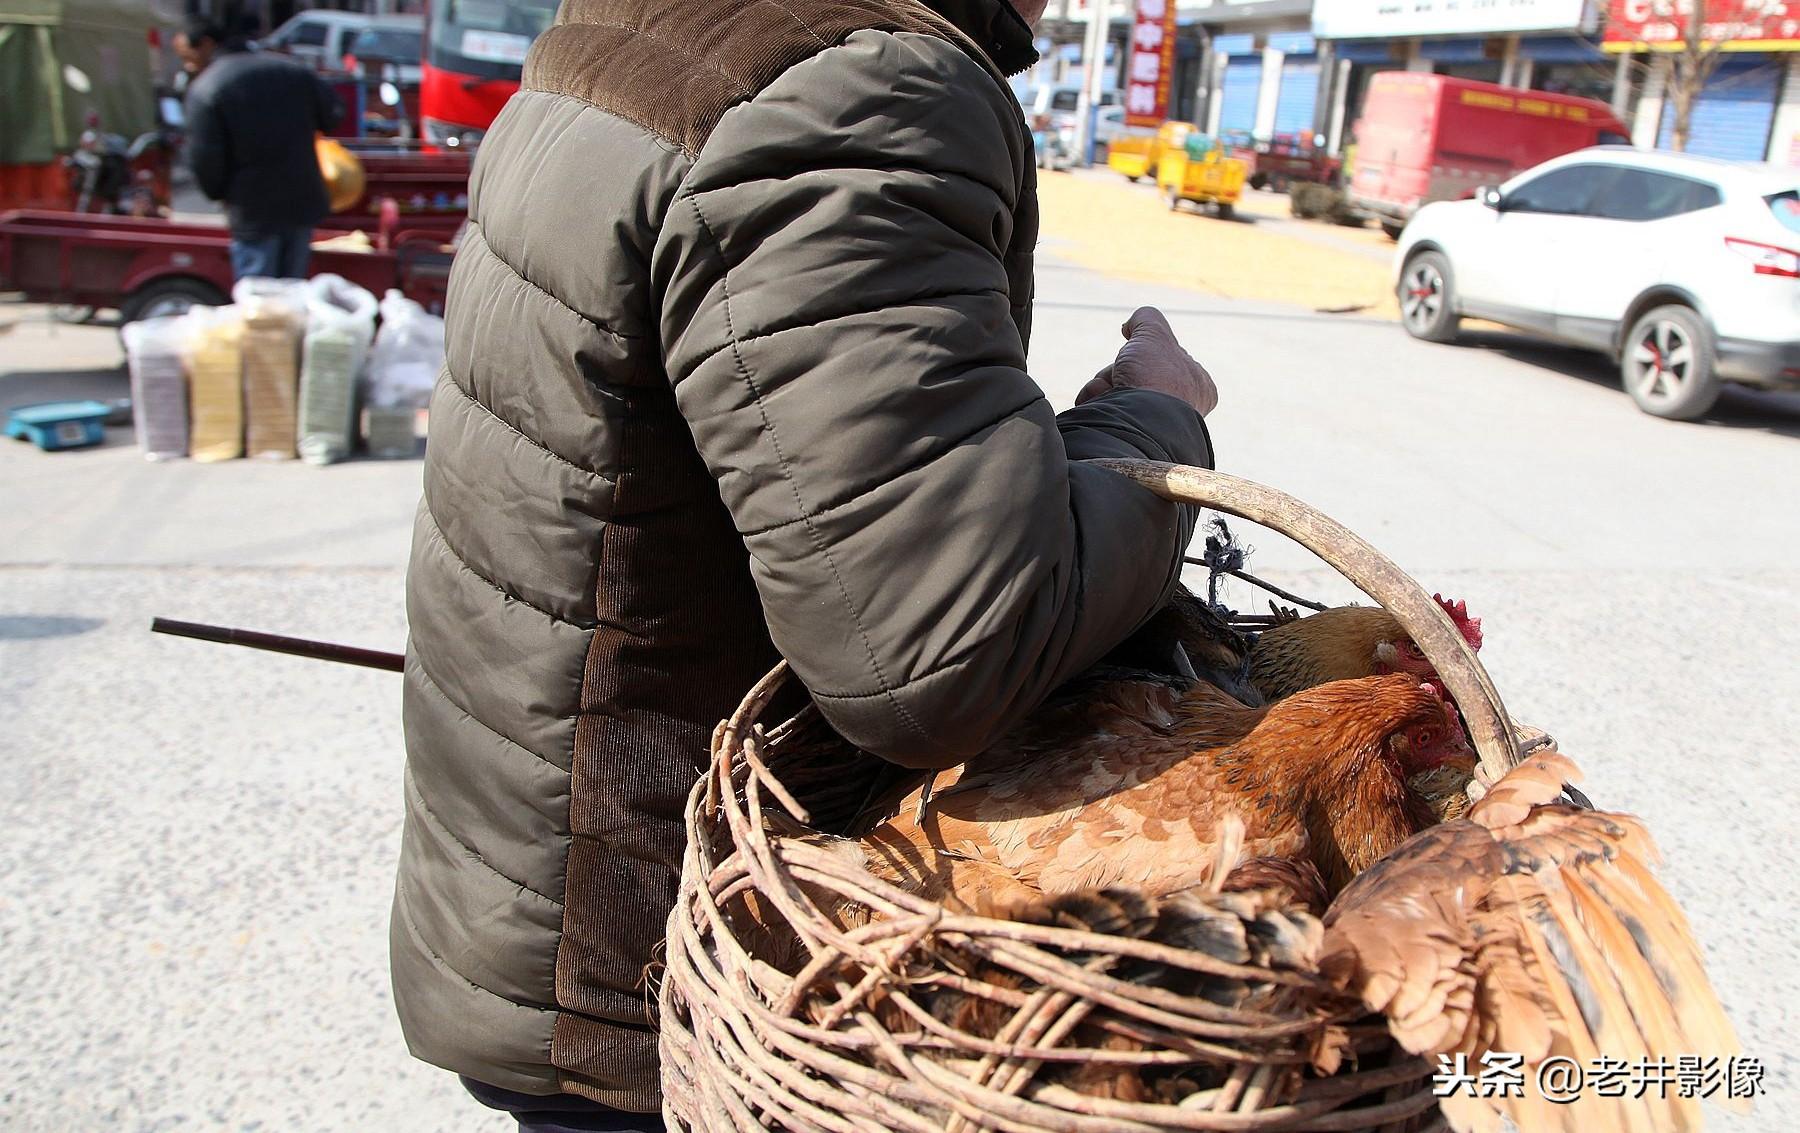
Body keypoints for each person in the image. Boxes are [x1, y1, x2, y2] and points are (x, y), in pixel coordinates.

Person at [391, 0, 1219, 1129]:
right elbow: (939, 655)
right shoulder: (851, 94)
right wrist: (1153, 422)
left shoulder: (658, 22)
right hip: (670, 953)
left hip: (556, 872)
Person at [174, 21, 342, 280]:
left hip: (252, 209)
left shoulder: (207, 88)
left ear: (206, 44)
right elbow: (333, 115)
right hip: (302, 201)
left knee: (259, 305)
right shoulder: (293, 71)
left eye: (188, 57)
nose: (187, 65)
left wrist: (221, 192)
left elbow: (206, 160)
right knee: (292, 297)